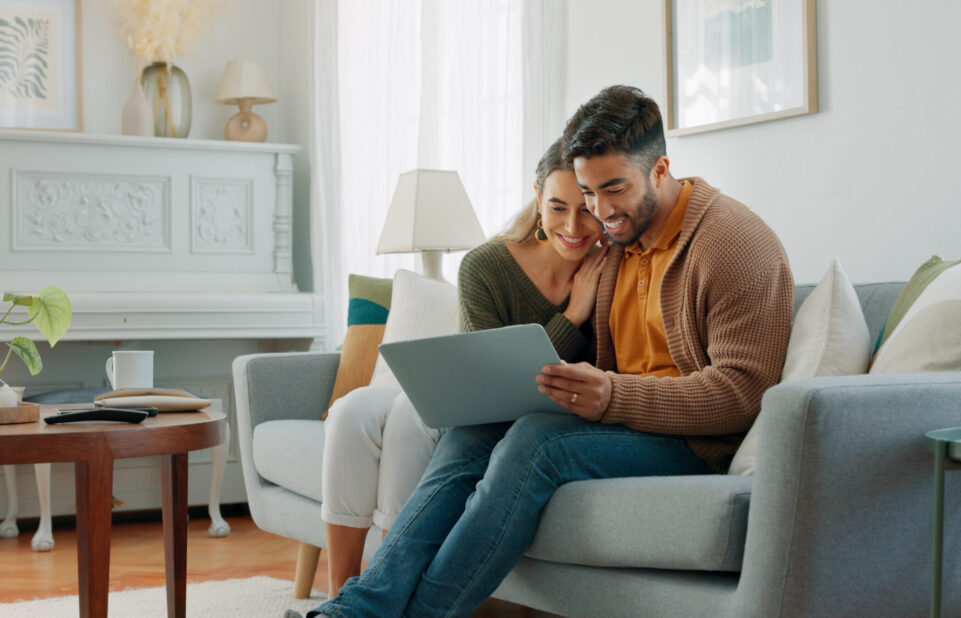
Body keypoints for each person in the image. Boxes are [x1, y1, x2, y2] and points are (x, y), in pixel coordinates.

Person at [294, 85, 793, 618]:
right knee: (475, 431)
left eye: (613, 190)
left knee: (537, 441)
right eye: (587, 192)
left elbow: (744, 394)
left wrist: (612, 395)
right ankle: (354, 610)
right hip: (626, 422)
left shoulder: (733, 243)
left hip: (696, 441)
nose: (600, 212)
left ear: (661, 169)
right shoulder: (619, 241)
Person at [315, 137, 607, 598]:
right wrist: (572, 317)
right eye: (557, 207)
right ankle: (341, 593)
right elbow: (488, 382)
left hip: (511, 416)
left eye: (586, 209)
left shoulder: (609, 269)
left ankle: (389, 592)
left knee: (411, 419)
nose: (573, 226)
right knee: (351, 411)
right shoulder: (487, 265)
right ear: (537, 199)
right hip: (471, 399)